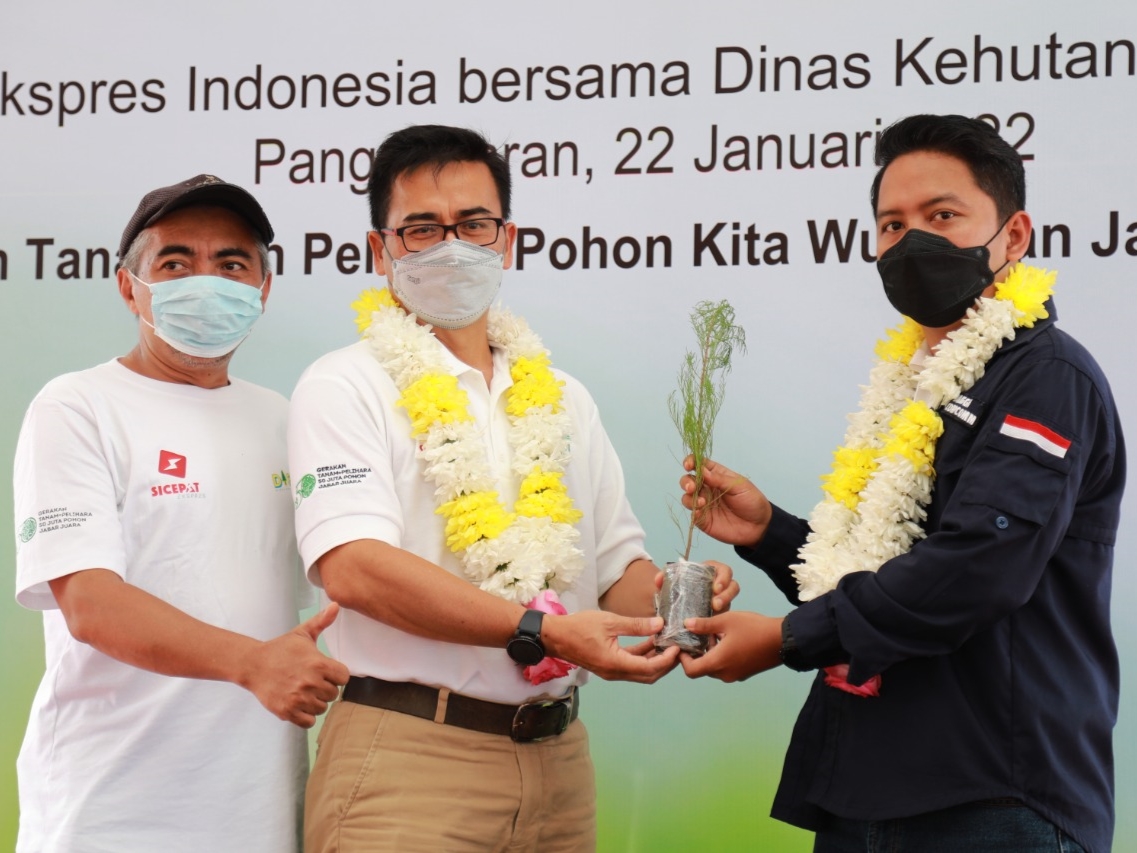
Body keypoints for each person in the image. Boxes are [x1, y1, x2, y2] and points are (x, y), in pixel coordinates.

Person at [679, 114, 1125, 853]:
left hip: (990, 798)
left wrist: (787, 639)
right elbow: (879, 576)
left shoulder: (1045, 376)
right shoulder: (910, 386)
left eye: (941, 215)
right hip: (868, 792)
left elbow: (974, 566)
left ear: (1013, 237)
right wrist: (769, 532)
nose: (909, 241)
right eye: (891, 224)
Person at [287, 124, 738, 852]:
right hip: (409, 758)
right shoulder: (345, 384)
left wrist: (672, 602)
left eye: (473, 224)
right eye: (421, 229)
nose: (451, 246)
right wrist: (541, 631)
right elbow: (354, 566)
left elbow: (615, 565)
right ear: (380, 250)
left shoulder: (561, 396)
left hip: (557, 760)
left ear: (508, 238)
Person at [12, 175, 350, 853]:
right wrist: (254, 663)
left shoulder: (285, 419)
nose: (207, 281)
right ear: (128, 286)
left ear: (262, 289)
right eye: (175, 262)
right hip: (109, 813)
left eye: (231, 264)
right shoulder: (78, 406)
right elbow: (93, 605)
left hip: (259, 812)